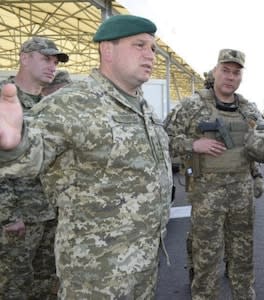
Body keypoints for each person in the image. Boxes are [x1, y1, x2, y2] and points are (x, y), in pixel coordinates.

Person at [0, 14, 173, 299]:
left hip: (144, 263)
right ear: (107, 50)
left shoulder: (142, 107)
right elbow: (33, 148)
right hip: (97, 273)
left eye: (152, 48)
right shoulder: (75, 101)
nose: (149, 54)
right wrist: (14, 144)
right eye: (139, 45)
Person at [164, 48, 264, 299]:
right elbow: (162, 137)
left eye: (236, 73)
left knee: (243, 255)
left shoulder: (247, 109)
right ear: (215, 71)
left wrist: (258, 172)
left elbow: (262, 139)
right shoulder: (192, 105)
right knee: (205, 259)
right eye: (225, 71)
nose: (230, 77)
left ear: (241, 77)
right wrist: (192, 144)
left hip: (241, 195)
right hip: (207, 195)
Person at [0, 36, 68, 299]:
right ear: (24, 58)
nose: (52, 66)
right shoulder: (6, 101)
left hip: (50, 212)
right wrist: (8, 214)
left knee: (47, 282)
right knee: (14, 285)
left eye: (55, 61)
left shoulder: (49, 106)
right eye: (45, 58)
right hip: (19, 218)